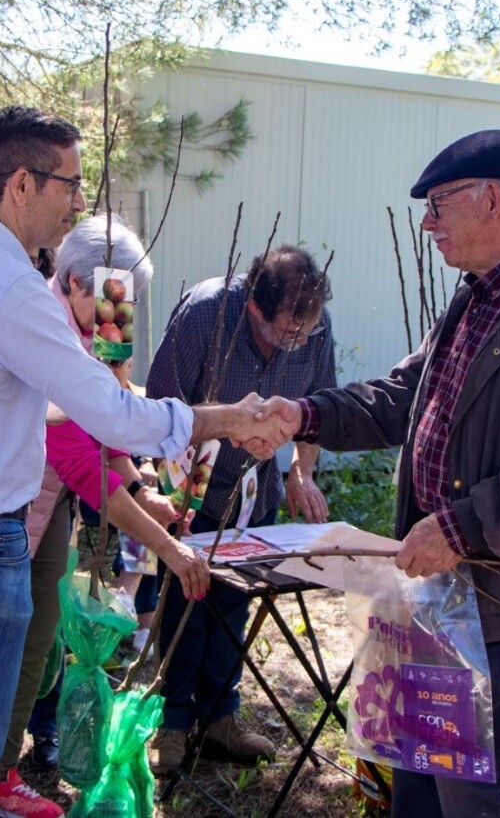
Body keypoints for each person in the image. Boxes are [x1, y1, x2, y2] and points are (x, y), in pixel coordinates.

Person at [0, 105, 285, 818]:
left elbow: (26, 401)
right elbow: (111, 415)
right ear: (23, 183)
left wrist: (132, 453)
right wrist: (223, 418)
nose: (75, 203)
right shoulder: (13, 290)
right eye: (69, 183)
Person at [257, 130, 500, 818]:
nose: (427, 225)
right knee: (419, 774)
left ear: (491, 198)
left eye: (437, 206)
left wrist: (460, 527)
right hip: (443, 587)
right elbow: (406, 397)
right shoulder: (480, 296)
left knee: (478, 791)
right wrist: (302, 414)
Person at [0, 216, 207, 818]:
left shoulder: (102, 326)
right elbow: (83, 462)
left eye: (130, 292)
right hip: (10, 502)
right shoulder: (47, 330)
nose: (123, 305)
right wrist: (167, 544)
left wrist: (142, 485)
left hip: (47, 504)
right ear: (76, 281)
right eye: (116, 289)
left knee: (36, 636)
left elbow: (110, 421)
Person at [145, 245, 337, 774]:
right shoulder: (206, 313)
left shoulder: (314, 326)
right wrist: (225, 428)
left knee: (233, 606)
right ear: (255, 309)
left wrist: (300, 471)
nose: (300, 342)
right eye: (287, 334)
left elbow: (318, 408)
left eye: (307, 333)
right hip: (194, 487)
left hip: (256, 493)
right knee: (185, 607)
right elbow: (162, 407)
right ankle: (174, 722)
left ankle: (220, 718)